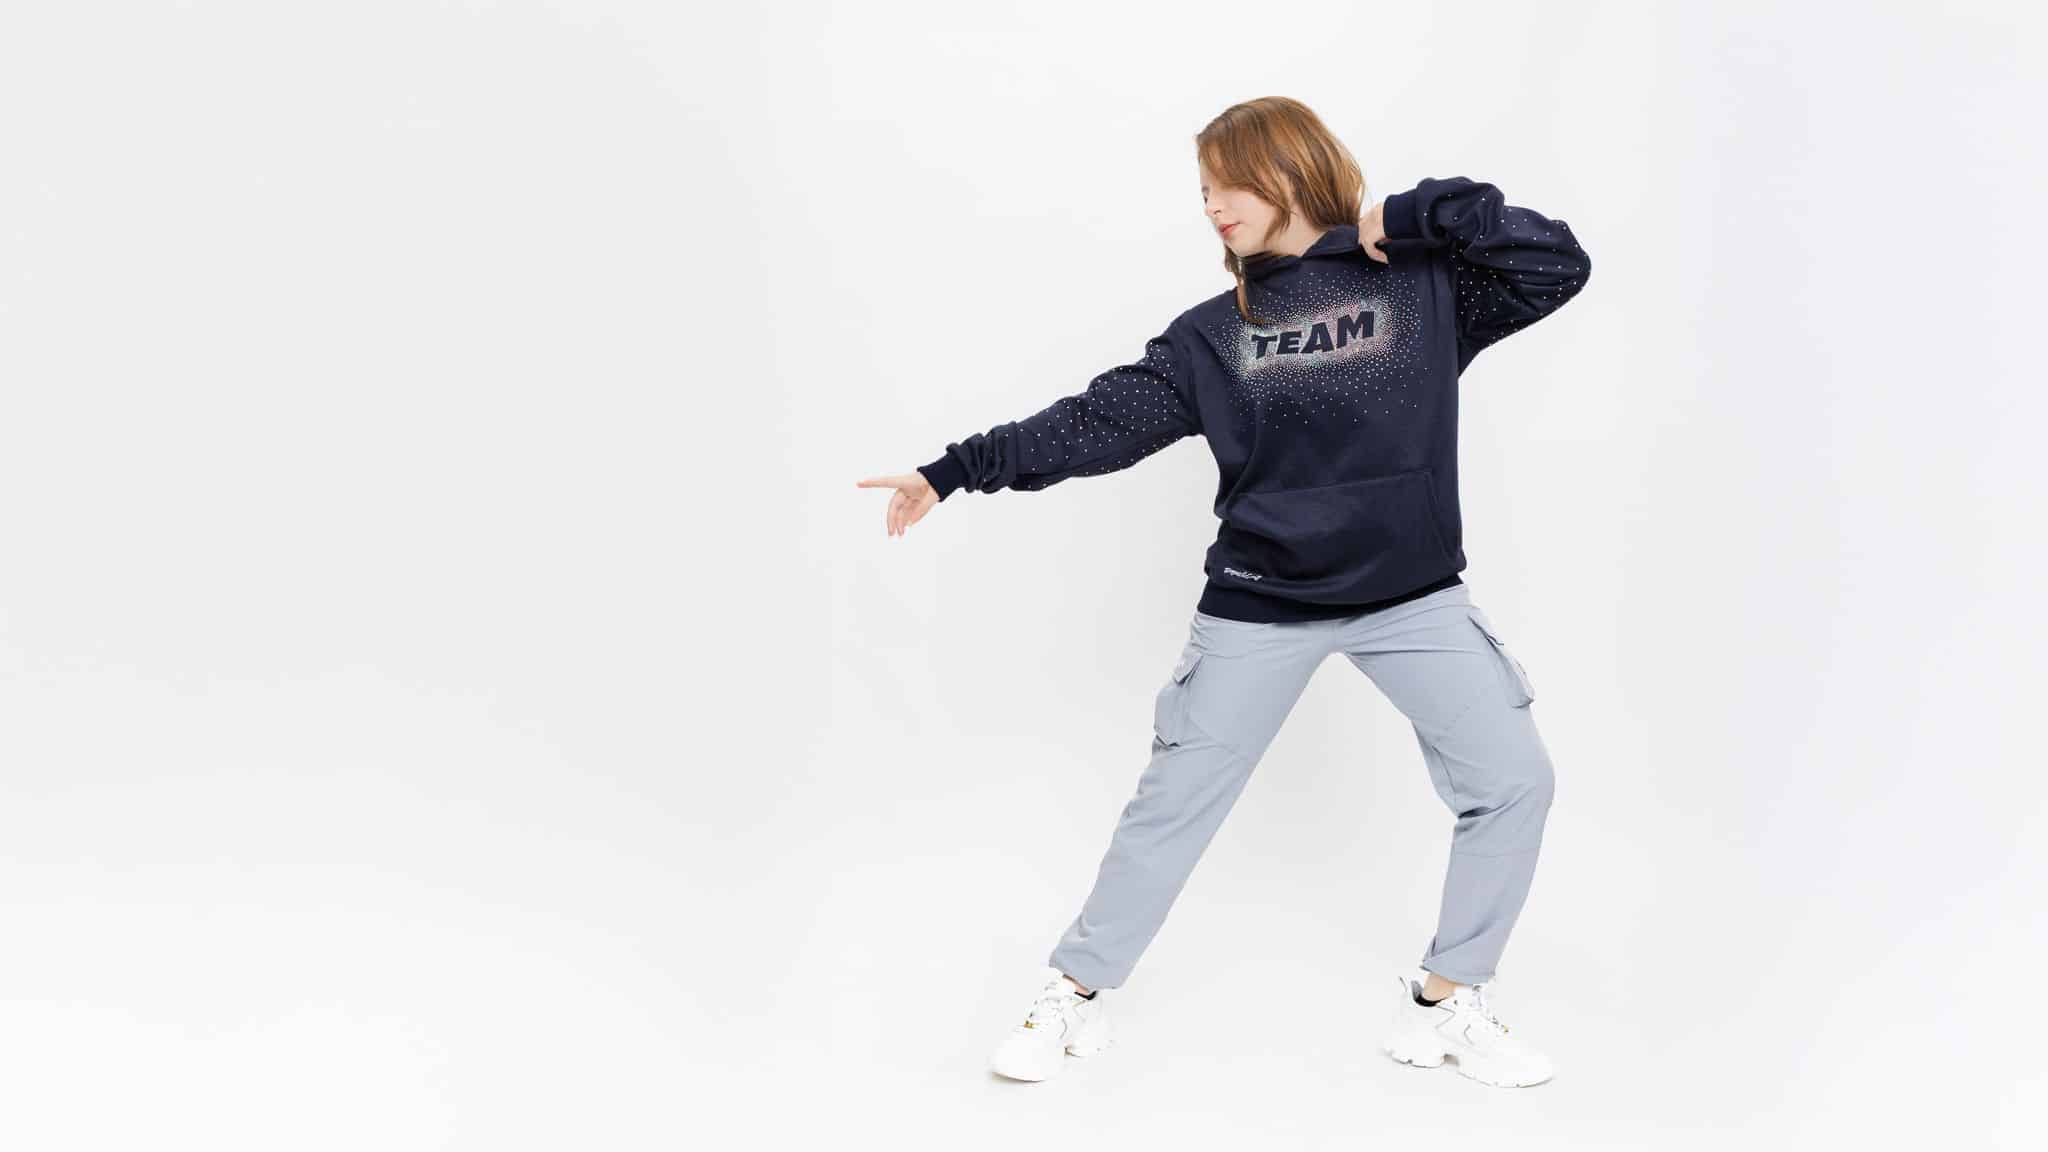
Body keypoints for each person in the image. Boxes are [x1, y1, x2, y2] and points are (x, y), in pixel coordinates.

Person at [856, 97, 1591, 1088]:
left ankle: (1447, 1000)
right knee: (1172, 808)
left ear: (1290, 170)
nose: (1211, 205)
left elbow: (1554, 264)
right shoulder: (1214, 335)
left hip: (1411, 598)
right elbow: (1095, 423)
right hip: (1260, 604)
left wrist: (1421, 212)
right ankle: (1072, 993)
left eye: (1228, 183)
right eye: (1202, 190)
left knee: (1513, 781)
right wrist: (952, 470)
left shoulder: (1420, 284)